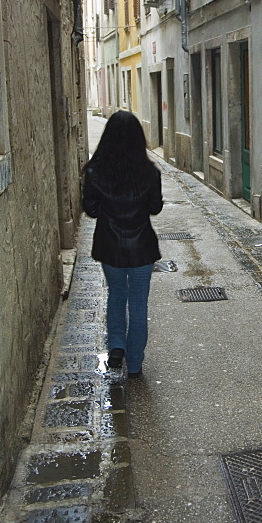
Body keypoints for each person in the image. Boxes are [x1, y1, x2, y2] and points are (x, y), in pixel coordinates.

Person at [82, 111, 163, 376]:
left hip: (110, 246)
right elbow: (154, 208)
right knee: (139, 303)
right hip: (141, 248)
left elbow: (91, 210)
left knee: (117, 295)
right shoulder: (149, 173)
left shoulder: (94, 171)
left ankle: (117, 348)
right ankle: (136, 364)